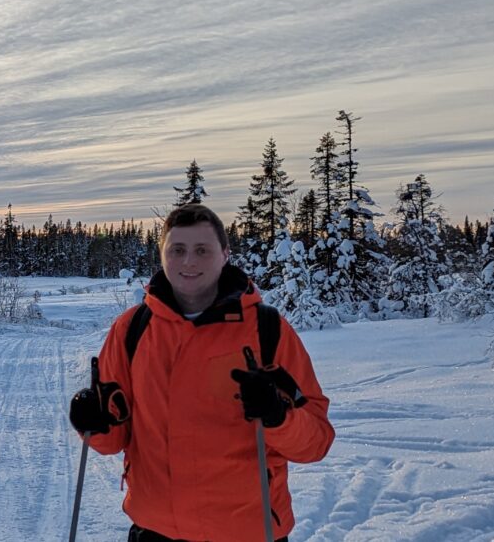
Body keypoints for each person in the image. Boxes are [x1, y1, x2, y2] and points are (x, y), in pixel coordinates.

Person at [69, 204, 334, 541]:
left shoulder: (267, 330)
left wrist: (279, 417)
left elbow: (316, 442)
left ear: (225, 254)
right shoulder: (131, 330)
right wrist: (92, 422)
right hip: (156, 531)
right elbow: (113, 439)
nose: (188, 261)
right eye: (177, 250)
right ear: (162, 254)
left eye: (202, 250)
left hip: (248, 532)